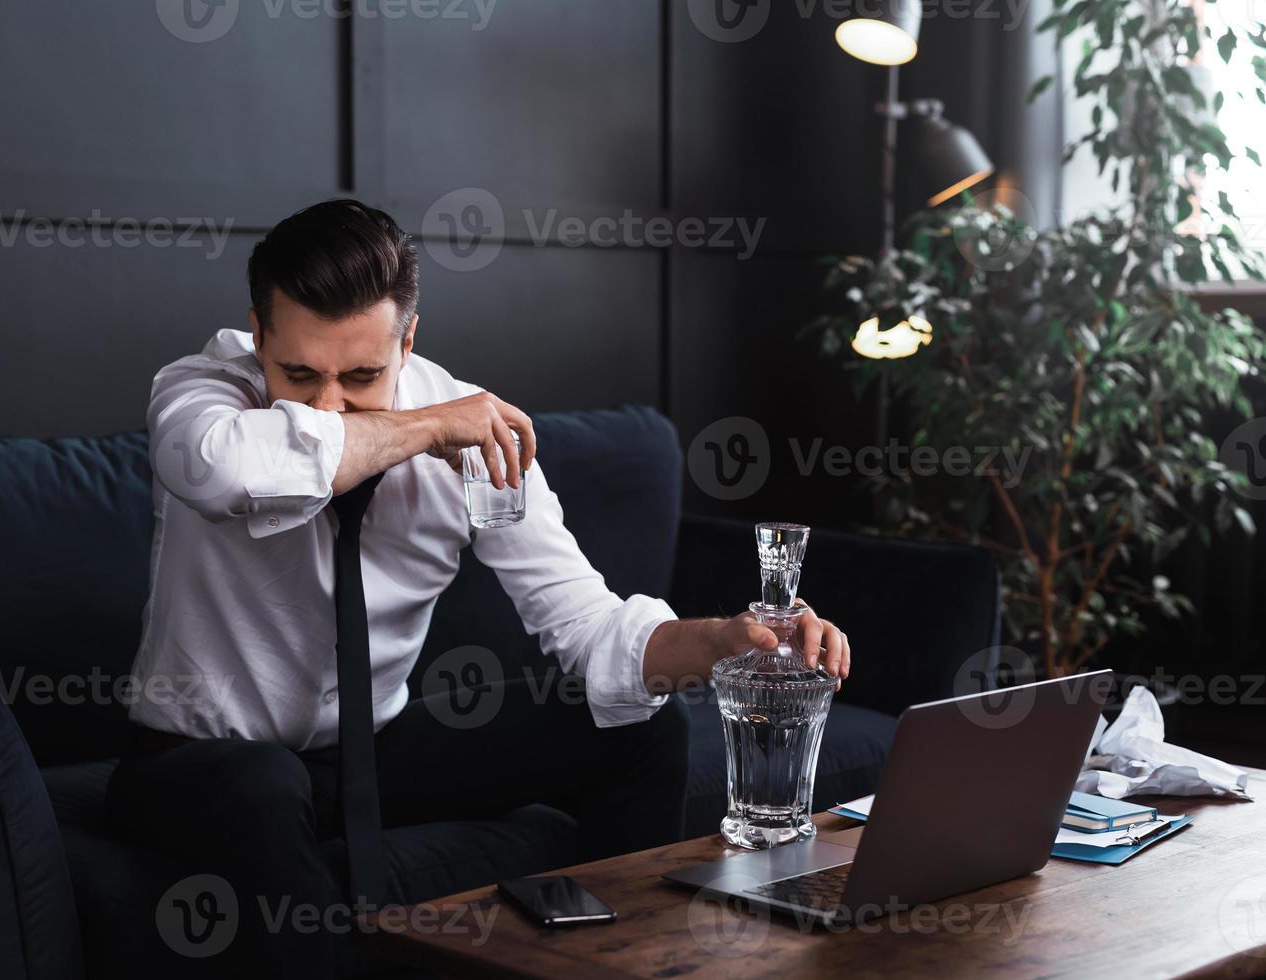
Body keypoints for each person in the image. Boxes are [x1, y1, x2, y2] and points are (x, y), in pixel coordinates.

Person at [106, 199, 852, 972]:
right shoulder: (201, 394)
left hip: (371, 752)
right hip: (194, 760)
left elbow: (589, 629)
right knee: (260, 787)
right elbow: (226, 469)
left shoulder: (474, 431)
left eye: (363, 375)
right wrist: (422, 428)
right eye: (298, 373)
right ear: (256, 335)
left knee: (642, 729)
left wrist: (727, 642)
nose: (327, 403)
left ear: (409, 339)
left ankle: (622, 963)